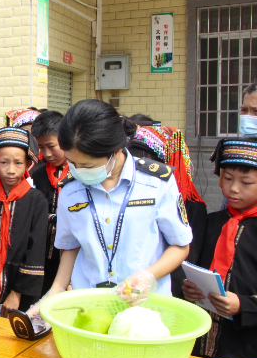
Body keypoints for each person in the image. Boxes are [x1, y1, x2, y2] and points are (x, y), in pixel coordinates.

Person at [27, 99, 193, 318]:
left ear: (115, 152)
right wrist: (56, 290)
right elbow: (70, 247)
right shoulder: (70, 189)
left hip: (145, 310)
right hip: (88, 309)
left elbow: (180, 246)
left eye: (87, 165)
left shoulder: (157, 183)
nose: (77, 171)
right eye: (71, 163)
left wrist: (148, 276)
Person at [183, 138, 257, 358]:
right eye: (228, 178)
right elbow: (193, 267)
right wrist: (189, 289)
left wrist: (243, 305)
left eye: (246, 182)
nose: (234, 188)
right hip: (200, 341)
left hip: (249, 349)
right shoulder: (210, 222)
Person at [0, 127, 48, 316]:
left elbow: (36, 250)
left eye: (18, 163)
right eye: (4, 162)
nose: (11, 170)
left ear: (28, 164)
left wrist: (17, 293)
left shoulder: (37, 200)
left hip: (20, 291)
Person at [128, 125, 208, 299]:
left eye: (144, 160)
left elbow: (188, 257)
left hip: (169, 291)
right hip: (129, 285)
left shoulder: (192, 206)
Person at [29, 111, 67, 294]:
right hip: (43, 251)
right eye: (41, 148)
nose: (46, 153)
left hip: (68, 253)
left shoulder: (80, 173)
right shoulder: (37, 173)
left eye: (51, 146)